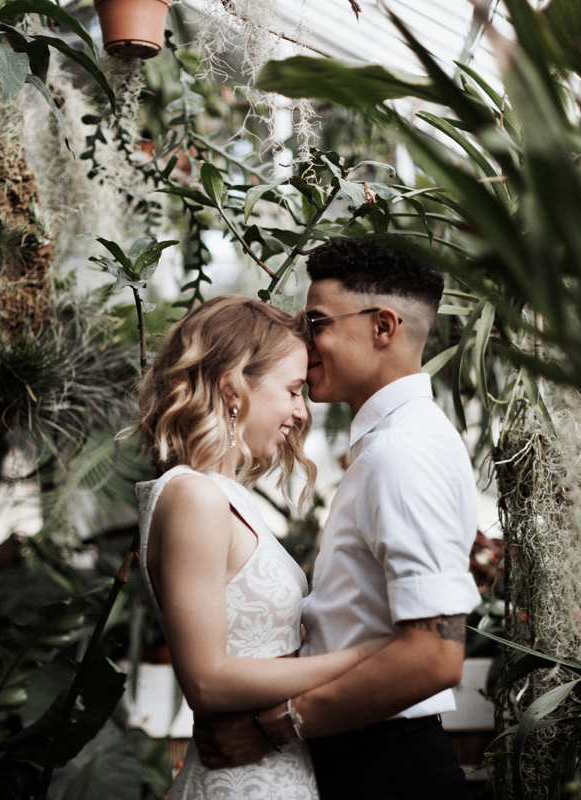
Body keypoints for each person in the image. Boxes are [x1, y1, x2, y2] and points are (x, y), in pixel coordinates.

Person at [193, 238, 481, 800]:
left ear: (383, 327)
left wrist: (276, 727)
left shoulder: (404, 452)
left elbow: (436, 653)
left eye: (317, 321)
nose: (303, 340)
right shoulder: (397, 443)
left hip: (386, 766)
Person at [133, 295, 390, 800]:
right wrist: (367, 658)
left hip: (277, 773)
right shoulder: (193, 496)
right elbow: (206, 680)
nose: (301, 411)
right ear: (234, 386)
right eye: (293, 390)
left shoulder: (227, 496)